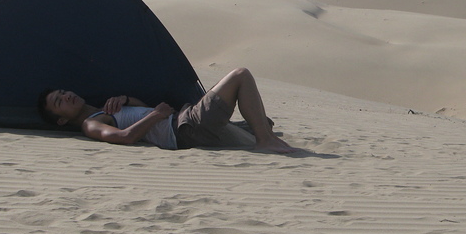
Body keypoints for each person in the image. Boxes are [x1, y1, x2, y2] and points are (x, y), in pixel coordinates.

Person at [38, 67, 297, 154]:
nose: (67, 96)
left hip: (183, 121)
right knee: (240, 75)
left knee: (263, 121)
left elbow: (139, 110)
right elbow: (124, 137)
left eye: (63, 92)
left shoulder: (105, 107)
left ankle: (265, 136)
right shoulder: (89, 124)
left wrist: (126, 98)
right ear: (61, 120)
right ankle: (264, 142)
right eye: (60, 102)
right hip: (184, 129)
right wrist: (156, 116)